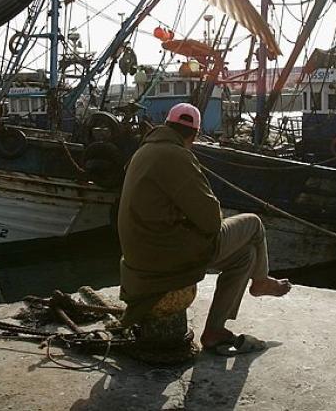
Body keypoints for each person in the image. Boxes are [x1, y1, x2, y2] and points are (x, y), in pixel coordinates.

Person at [117, 102, 292, 355]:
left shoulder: (144, 151)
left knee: (246, 256)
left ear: (166, 125)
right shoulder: (177, 155)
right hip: (166, 258)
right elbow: (210, 221)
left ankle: (214, 331)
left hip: (144, 255)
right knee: (253, 223)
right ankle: (261, 281)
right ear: (194, 135)